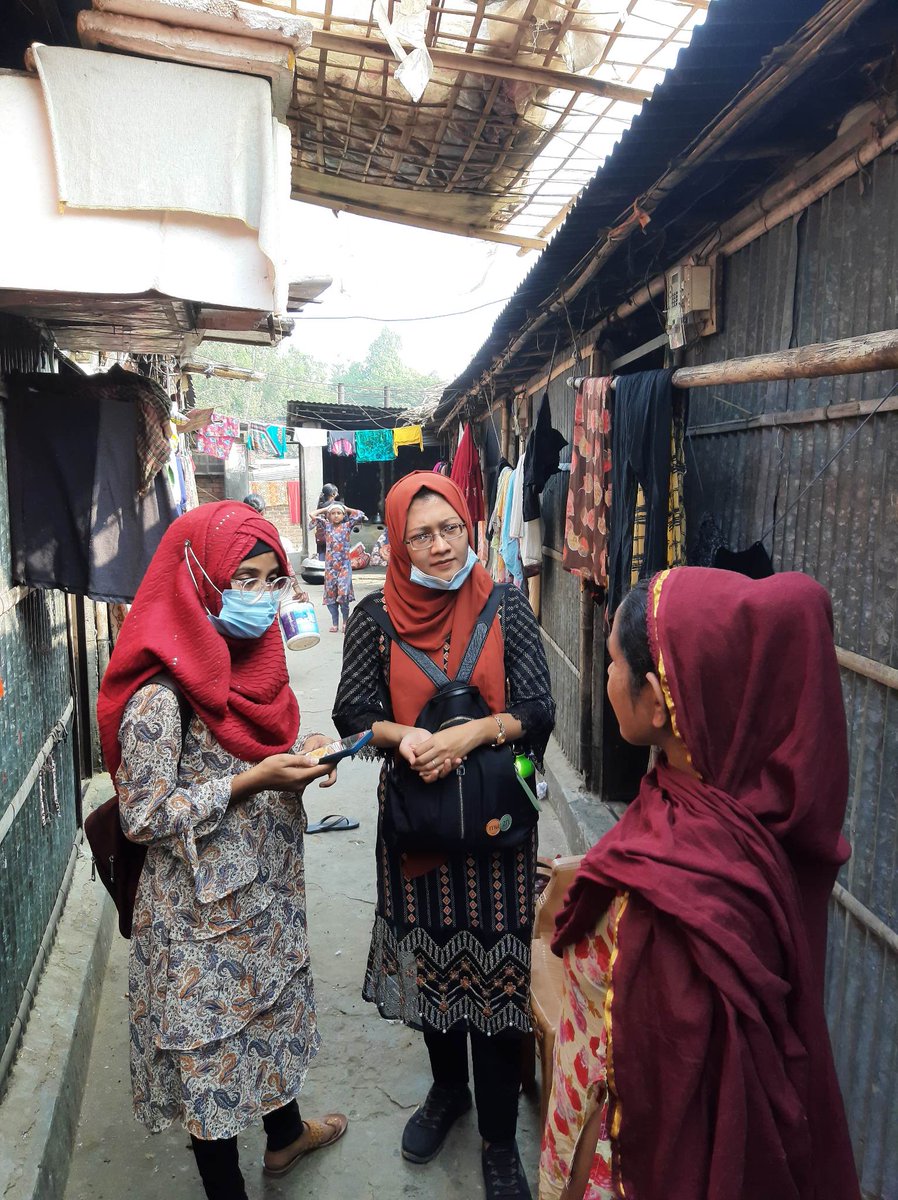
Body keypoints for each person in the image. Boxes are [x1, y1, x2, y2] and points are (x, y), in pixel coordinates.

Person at [540, 568, 860, 1200]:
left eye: (609, 663)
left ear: (658, 702)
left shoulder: (673, 900)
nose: (604, 679)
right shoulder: (747, 814)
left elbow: (648, 1099)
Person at [96, 502, 348, 1200]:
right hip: (196, 923)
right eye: (244, 577)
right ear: (200, 577)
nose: (260, 597)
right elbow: (144, 815)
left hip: (264, 895)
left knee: (266, 1013)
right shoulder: (161, 694)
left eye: (271, 579)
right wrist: (251, 781)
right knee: (211, 1051)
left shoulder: (253, 667)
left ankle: (285, 1137)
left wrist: (300, 758)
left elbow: (259, 749)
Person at [332, 472, 555, 1200]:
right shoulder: (373, 617)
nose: (438, 546)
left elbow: (538, 706)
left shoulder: (505, 606)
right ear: (397, 541)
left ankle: (497, 1138)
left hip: (495, 834)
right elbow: (352, 714)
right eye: (420, 534)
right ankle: (445, 1091)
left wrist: (474, 732)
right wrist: (407, 739)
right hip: (418, 831)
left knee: (494, 978)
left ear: (468, 528)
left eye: (450, 529)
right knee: (432, 971)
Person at [308, 500, 366, 632]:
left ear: (343, 515)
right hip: (330, 569)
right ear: (328, 516)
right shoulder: (326, 526)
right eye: (333, 513)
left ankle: (345, 621)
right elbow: (312, 515)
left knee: (343, 593)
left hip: (344, 567)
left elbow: (359, 514)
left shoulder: (347, 526)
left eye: (339, 513)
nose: (335, 515)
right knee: (331, 596)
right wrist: (325, 509)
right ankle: (335, 623)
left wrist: (346, 507)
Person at [314, 484, 340, 558]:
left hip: (320, 535)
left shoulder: (320, 506)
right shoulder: (336, 505)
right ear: (333, 494)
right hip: (332, 535)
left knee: (322, 555)